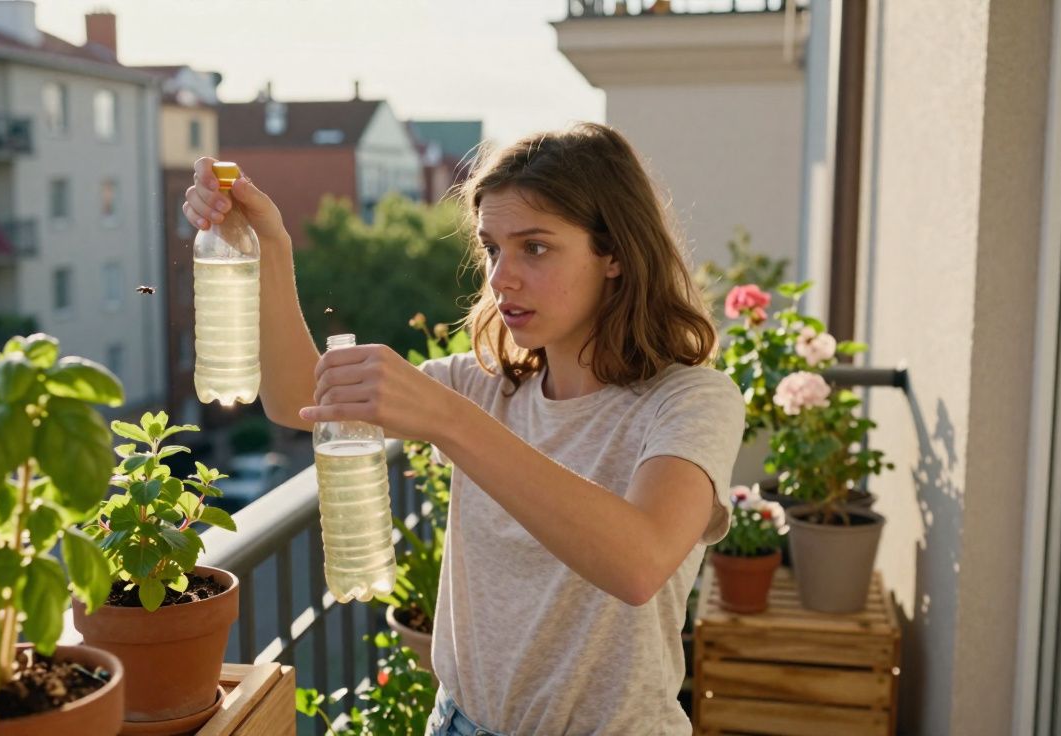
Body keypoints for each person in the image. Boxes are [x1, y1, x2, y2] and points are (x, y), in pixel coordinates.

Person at [182, 122, 745, 735]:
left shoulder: (689, 401)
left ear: (613, 253)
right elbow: (298, 401)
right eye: (493, 248)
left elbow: (639, 565)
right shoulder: (485, 383)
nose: (501, 277)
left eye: (534, 247)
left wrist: (448, 420)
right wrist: (269, 248)